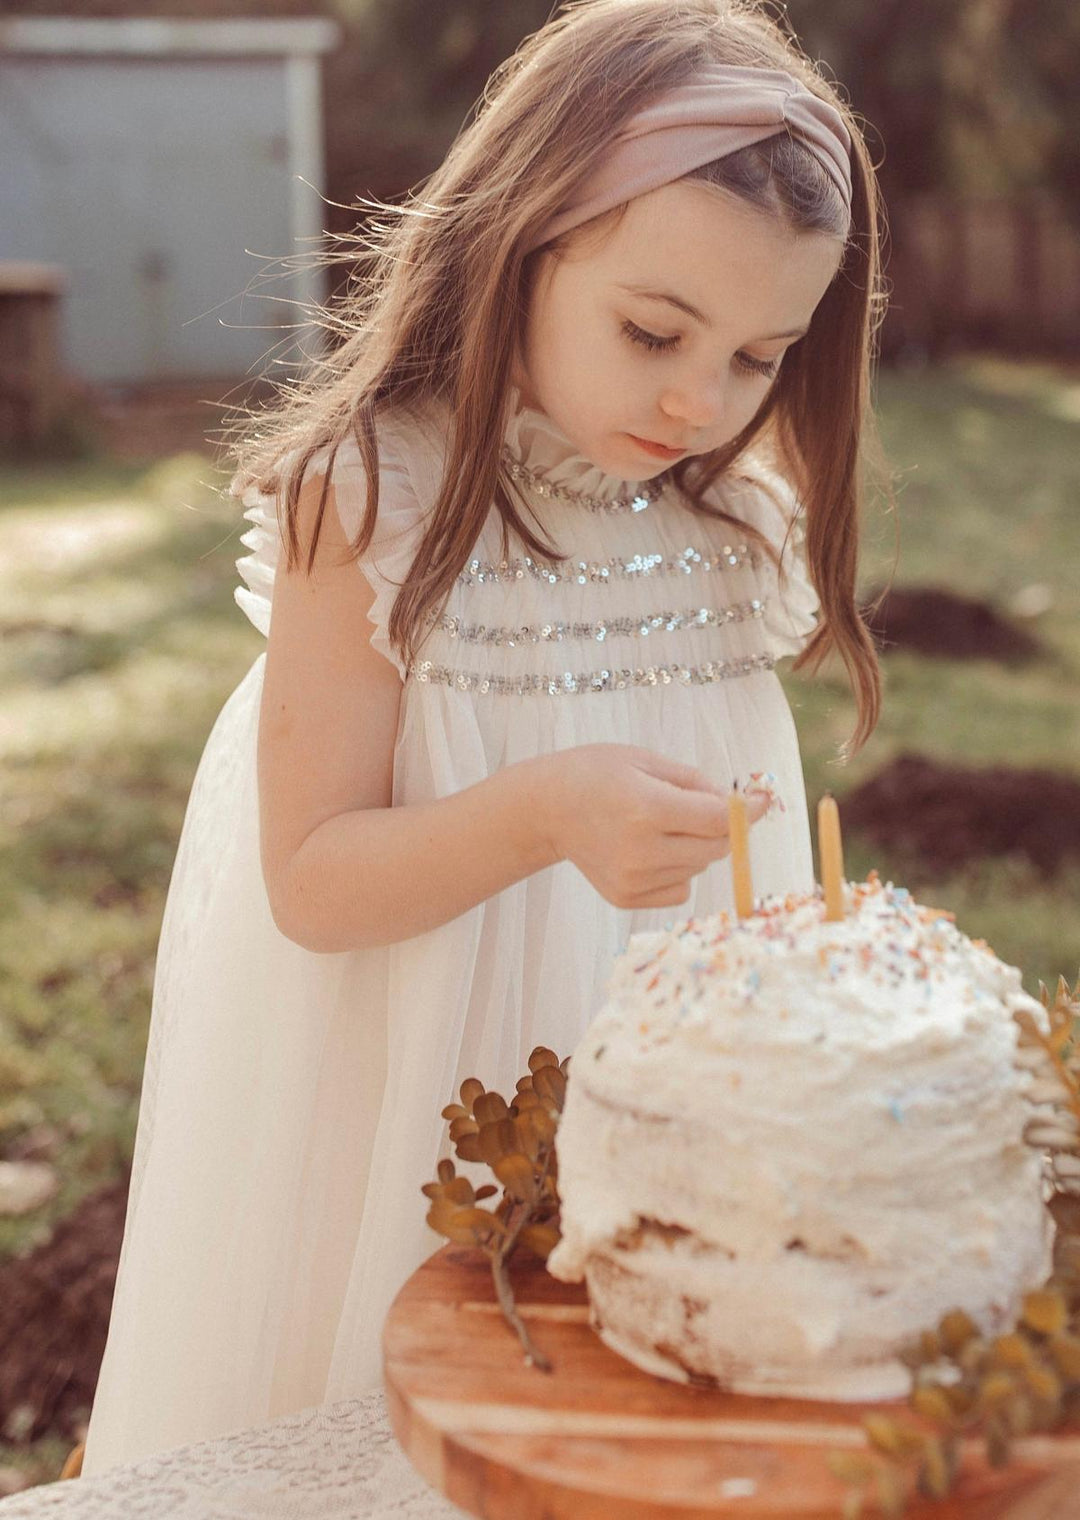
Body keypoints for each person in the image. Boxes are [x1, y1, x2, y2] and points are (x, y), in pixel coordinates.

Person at [81, 0, 890, 1475]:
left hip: (654, 1096)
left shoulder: (728, 521)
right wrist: (540, 813)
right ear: (521, 241)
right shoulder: (373, 499)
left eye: (763, 355)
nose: (700, 400)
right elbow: (315, 883)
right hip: (416, 1095)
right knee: (421, 1428)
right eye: (654, 329)